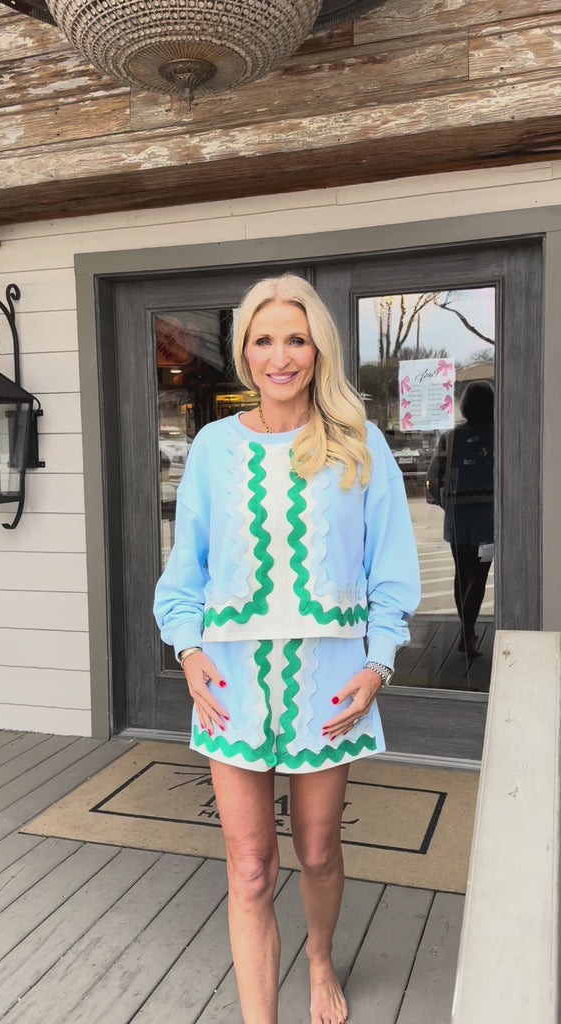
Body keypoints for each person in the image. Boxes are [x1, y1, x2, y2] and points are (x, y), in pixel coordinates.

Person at [154, 275, 420, 1024]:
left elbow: (391, 568)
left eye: (295, 339)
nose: (280, 356)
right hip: (231, 680)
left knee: (319, 849)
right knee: (248, 868)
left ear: (317, 349)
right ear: (245, 351)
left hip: (328, 679)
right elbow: (186, 569)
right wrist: (188, 650)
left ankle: (319, 958)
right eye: (264, 339)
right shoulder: (213, 447)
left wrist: (378, 662)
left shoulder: (358, 443)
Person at [428, 380, 494, 659]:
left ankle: (467, 633)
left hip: (459, 516)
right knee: (479, 576)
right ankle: (467, 633)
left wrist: (445, 503)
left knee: (462, 574)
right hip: (489, 519)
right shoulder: (498, 434)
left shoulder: (451, 437)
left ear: (465, 405)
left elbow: (434, 475)